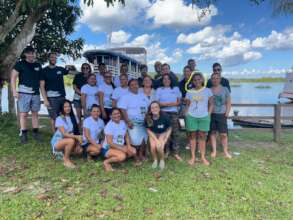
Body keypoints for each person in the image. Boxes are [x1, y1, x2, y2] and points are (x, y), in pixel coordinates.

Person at [10, 46, 42, 143]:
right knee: (23, 114)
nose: (31, 55)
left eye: (33, 53)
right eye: (29, 53)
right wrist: (14, 91)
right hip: (23, 93)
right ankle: (24, 134)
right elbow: (13, 77)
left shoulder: (38, 65)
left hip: (36, 93)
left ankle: (36, 133)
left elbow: (41, 81)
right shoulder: (20, 64)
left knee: (35, 113)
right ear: (25, 54)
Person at [185, 72, 213, 166]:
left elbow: (211, 103)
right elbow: (188, 104)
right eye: (195, 80)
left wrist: (208, 114)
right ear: (192, 81)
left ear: (202, 80)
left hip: (204, 117)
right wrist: (186, 113)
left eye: (199, 79)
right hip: (192, 116)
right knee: (192, 137)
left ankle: (202, 157)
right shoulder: (189, 91)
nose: (197, 81)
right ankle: (193, 157)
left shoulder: (207, 90)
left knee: (202, 137)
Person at [118, 79, 149, 163]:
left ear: (138, 86)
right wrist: (128, 121)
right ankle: (136, 155)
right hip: (132, 122)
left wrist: (148, 119)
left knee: (144, 139)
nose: (134, 86)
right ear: (129, 87)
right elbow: (122, 109)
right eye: (132, 85)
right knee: (135, 140)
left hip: (143, 122)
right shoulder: (125, 97)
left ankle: (140, 154)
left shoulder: (143, 95)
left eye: (136, 84)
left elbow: (148, 107)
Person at [40, 52, 69, 132]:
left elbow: (68, 71)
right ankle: (55, 135)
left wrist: (66, 64)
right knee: (53, 117)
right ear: (49, 58)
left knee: (63, 115)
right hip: (51, 98)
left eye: (55, 58)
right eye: (52, 57)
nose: (54, 59)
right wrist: (45, 100)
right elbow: (42, 86)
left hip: (62, 97)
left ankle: (63, 133)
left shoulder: (60, 69)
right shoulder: (44, 70)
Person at [156, 74, 182, 161]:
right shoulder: (159, 90)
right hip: (163, 113)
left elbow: (179, 102)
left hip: (173, 113)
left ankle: (176, 152)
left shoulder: (175, 89)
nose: (166, 80)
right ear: (162, 81)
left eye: (168, 79)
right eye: (164, 79)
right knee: (164, 133)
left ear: (171, 80)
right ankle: (166, 151)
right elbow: (157, 102)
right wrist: (167, 104)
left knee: (175, 133)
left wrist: (170, 104)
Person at [50, 100, 82, 169]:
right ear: (62, 108)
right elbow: (64, 134)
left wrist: (78, 144)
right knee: (70, 141)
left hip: (70, 140)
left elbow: (77, 132)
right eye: (65, 107)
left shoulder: (75, 118)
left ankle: (64, 153)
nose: (67, 108)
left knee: (80, 151)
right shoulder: (59, 118)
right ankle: (66, 160)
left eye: (69, 106)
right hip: (58, 142)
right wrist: (76, 137)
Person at [210, 72, 232, 159]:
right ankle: (214, 151)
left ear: (220, 79)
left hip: (222, 114)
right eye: (213, 78)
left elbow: (229, 102)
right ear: (211, 80)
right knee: (212, 133)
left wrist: (227, 112)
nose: (215, 80)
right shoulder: (209, 89)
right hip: (212, 114)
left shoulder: (225, 89)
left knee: (224, 134)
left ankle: (225, 151)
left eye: (217, 78)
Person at [145, 101, 172, 170]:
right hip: (153, 133)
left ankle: (162, 160)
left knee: (159, 146)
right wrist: (155, 139)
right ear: (150, 110)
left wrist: (165, 139)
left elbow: (169, 128)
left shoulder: (165, 116)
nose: (154, 109)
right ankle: (155, 160)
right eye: (152, 108)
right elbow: (148, 129)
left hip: (163, 133)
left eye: (156, 107)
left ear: (159, 108)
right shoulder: (148, 117)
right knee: (153, 146)